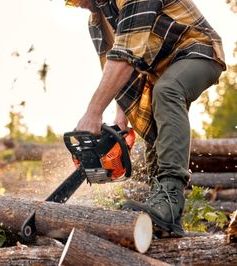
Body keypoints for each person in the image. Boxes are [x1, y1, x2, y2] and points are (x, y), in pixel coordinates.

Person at [64, 0, 226, 235]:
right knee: (154, 124)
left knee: (167, 91)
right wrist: (121, 120)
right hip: (159, 72)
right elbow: (115, 71)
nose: (76, 4)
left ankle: (170, 198)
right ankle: (161, 213)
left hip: (198, 49)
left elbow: (125, 57)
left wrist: (93, 113)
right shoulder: (97, 21)